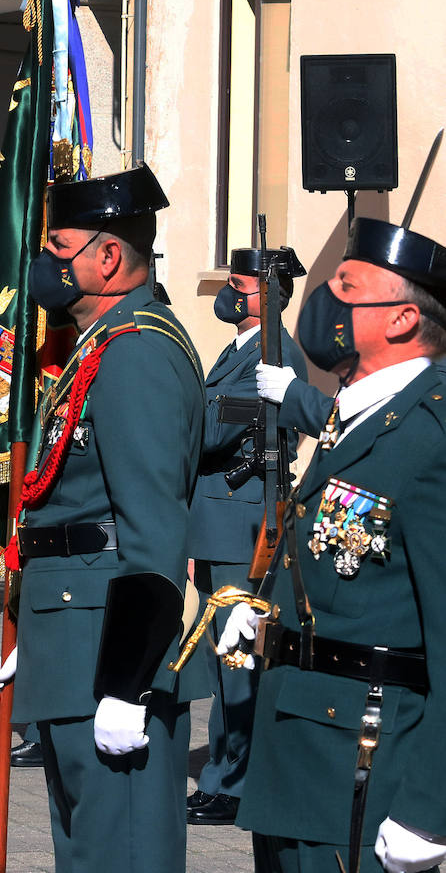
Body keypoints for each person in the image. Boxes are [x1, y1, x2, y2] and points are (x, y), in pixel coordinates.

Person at [0, 165, 205, 872]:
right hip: (74, 639)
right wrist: (40, 631)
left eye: (59, 246)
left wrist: (128, 679)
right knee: (87, 853)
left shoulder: (136, 351)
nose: (46, 263)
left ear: (107, 258)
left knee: (121, 854)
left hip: (110, 652)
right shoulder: (96, 347)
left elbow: (150, 528)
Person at [223, 217, 446, 873]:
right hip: (294, 749)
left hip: (365, 765)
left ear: (404, 318)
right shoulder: (359, 416)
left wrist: (429, 810)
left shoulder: (430, 434)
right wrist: (270, 613)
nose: (326, 300)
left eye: (348, 286)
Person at [184, 247, 308, 826]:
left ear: (269, 294)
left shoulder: (275, 356)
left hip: (242, 525)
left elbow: (210, 433)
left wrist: (188, 415)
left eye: (239, 284)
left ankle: (231, 780)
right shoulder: (239, 352)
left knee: (237, 662)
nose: (227, 293)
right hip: (216, 523)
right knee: (221, 657)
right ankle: (228, 771)